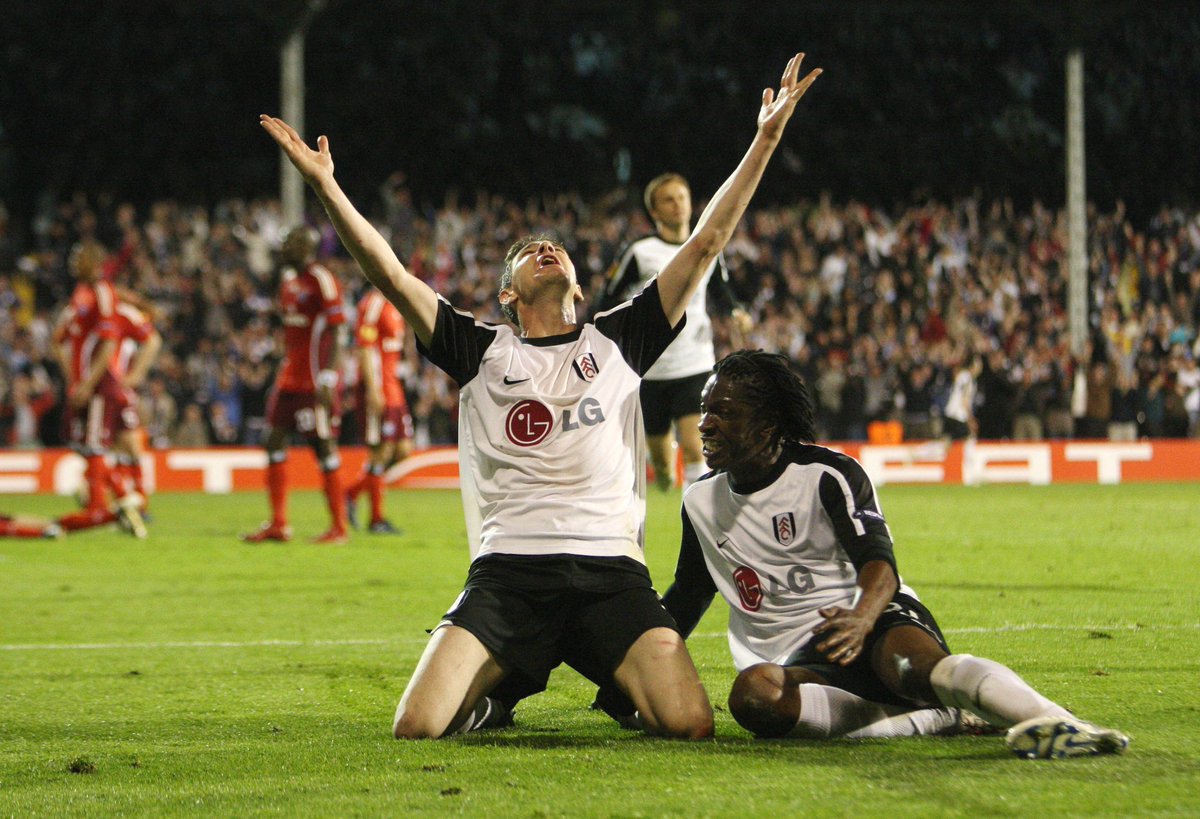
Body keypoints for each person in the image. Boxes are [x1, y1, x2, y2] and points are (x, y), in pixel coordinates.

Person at [261, 52, 821, 739]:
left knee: (690, 723)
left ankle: (553, 680)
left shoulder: (619, 340)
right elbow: (390, 274)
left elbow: (706, 244)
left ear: (580, 285)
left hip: (611, 574)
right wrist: (326, 188)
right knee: (416, 724)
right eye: (530, 251)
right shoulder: (480, 349)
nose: (546, 249)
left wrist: (763, 139)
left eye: (555, 248)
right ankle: (501, 688)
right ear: (508, 292)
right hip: (507, 574)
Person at [659, 349, 1129, 758]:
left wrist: (862, 618)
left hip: (871, 619)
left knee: (912, 670)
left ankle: (1060, 722)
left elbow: (879, 562)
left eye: (723, 412)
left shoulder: (827, 475)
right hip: (794, 658)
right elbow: (689, 596)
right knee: (753, 699)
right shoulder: (700, 501)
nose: (705, 424)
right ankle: (938, 720)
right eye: (704, 410)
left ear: (766, 423)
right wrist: (634, 666)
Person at [594, 173, 751, 490]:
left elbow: (719, 287)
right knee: (664, 465)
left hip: (694, 362)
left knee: (695, 446)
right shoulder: (640, 252)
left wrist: (735, 311)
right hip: (650, 368)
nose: (678, 204)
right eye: (669, 199)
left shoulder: (707, 244)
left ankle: (695, 518)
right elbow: (608, 299)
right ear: (654, 211)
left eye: (682, 197)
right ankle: (667, 487)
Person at [242, 226, 350, 545]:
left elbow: (339, 331)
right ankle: (279, 524)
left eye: (290, 241)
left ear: (306, 246)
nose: (284, 245)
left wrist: (330, 375)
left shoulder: (322, 279)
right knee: (273, 441)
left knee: (322, 447)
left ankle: (339, 527)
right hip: (289, 378)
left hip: (313, 381)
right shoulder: (288, 281)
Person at [52, 241, 147, 537]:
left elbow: (108, 344)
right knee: (81, 444)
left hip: (100, 384)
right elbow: (59, 339)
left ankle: (97, 509)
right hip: (83, 384)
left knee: (96, 445)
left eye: (80, 256)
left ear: (94, 263)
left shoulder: (104, 293)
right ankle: (122, 497)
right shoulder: (80, 294)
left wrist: (88, 383)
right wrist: (72, 379)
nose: (74, 261)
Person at [345, 288, 414, 534]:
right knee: (380, 451)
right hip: (378, 387)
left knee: (403, 450)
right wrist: (373, 389)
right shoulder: (372, 303)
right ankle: (376, 519)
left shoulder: (394, 304)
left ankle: (351, 493)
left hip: (393, 387)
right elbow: (364, 347)